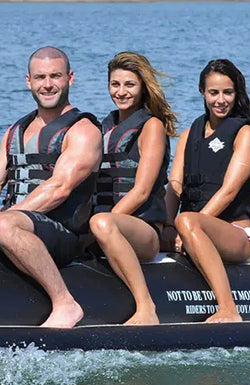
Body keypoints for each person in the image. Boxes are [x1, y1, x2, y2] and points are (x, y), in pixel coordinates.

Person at [0, 46, 102, 328]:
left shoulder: (83, 130)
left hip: (62, 233)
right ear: (29, 81)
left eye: (55, 76)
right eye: (40, 77)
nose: (47, 84)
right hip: (18, 224)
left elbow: (59, 188)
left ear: (70, 78)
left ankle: (65, 303)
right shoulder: (16, 131)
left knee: (2, 224)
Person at [87, 52, 177, 325]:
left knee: (101, 223)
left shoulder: (151, 126)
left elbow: (141, 191)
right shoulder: (103, 127)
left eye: (129, 85)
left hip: (143, 230)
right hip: (105, 224)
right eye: (115, 84)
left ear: (143, 87)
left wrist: (101, 225)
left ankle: (146, 306)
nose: (121, 92)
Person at [170, 59, 250, 323]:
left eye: (227, 92)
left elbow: (230, 190)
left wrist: (188, 226)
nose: (220, 100)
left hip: (235, 233)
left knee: (186, 220)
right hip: (191, 228)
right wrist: (164, 226)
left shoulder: (245, 132)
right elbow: (174, 187)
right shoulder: (189, 134)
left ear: (237, 93)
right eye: (214, 92)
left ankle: (228, 308)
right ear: (202, 92)